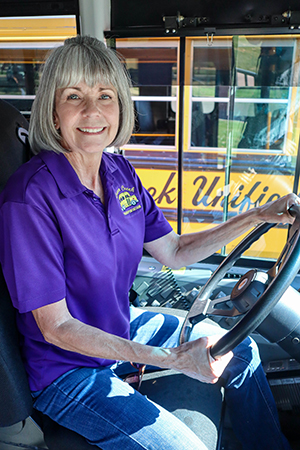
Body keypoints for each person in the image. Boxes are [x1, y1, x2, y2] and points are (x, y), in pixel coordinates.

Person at [0, 35, 296, 450]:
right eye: (74, 96)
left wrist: (257, 216)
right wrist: (174, 361)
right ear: (53, 109)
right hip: (68, 372)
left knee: (242, 351)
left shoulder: (119, 172)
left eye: (105, 95)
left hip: (121, 325)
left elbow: (174, 252)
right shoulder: (30, 196)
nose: (91, 111)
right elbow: (58, 328)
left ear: (120, 106)